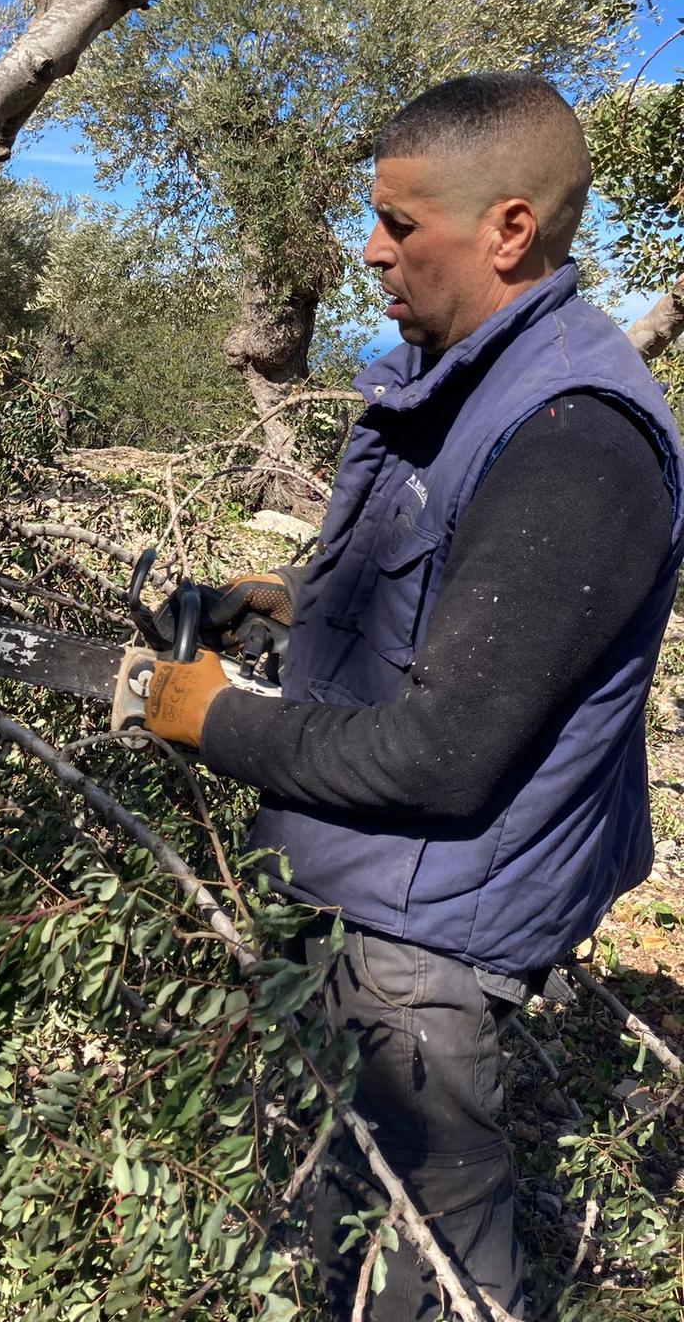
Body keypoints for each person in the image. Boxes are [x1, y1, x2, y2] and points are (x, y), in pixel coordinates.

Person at [141, 72, 684, 1320]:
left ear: (509, 229)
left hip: (423, 937)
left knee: (422, 1276)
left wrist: (208, 715)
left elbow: (445, 751)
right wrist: (284, 597)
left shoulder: (573, 437)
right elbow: (441, 579)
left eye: (399, 224)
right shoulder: (466, 374)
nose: (370, 251)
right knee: (343, 1215)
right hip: (368, 890)